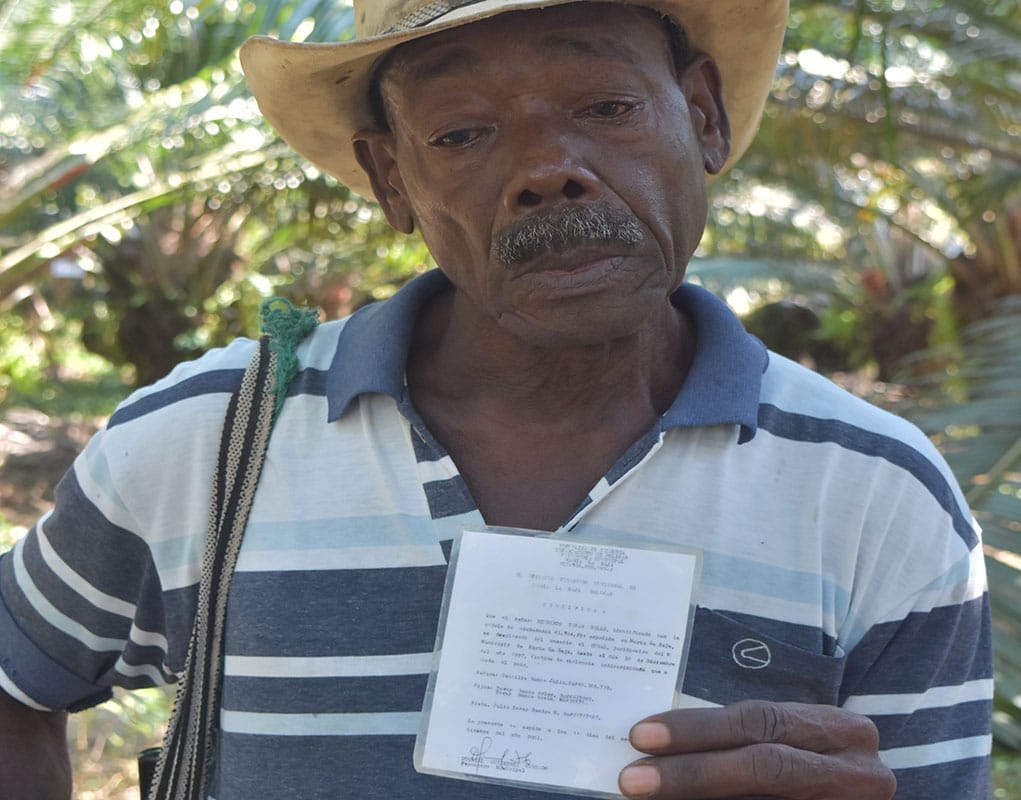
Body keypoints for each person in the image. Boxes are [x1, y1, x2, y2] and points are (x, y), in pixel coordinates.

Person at [0, 0, 992, 798]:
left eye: (605, 107)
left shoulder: (874, 491)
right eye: (463, 132)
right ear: (391, 178)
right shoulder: (205, 443)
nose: (546, 172)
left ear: (703, 116)